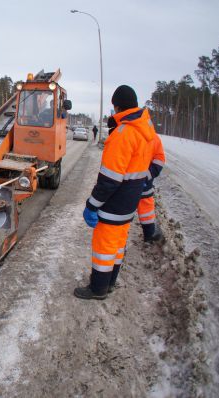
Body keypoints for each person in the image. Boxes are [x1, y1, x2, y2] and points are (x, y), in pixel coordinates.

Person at [75, 85, 157, 300]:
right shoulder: (145, 130)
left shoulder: (123, 134)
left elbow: (109, 180)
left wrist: (92, 204)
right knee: (117, 247)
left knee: (104, 248)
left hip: (113, 204)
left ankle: (98, 289)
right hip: (129, 204)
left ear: (117, 106)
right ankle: (110, 283)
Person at [138, 131, 166, 242]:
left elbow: (159, 159)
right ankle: (149, 235)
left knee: (145, 209)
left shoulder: (152, 137)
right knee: (144, 209)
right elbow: (159, 159)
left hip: (137, 183)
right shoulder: (152, 136)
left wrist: (147, 176)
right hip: (136, 182)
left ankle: (149, 235)